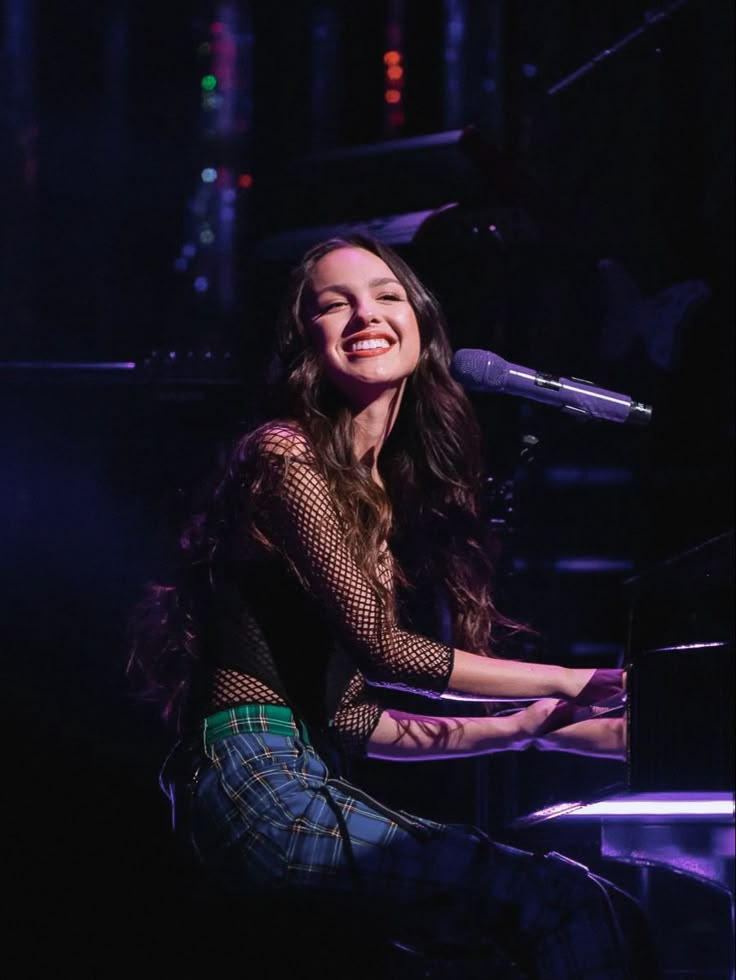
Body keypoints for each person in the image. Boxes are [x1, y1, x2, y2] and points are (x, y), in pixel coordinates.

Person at [127, 234, 658, 978]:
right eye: (332, 304)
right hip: (255, 780)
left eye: (384, 294)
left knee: (607, 911)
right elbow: (382, 649)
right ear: (303, 340)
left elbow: (353, 720)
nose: (364, 315)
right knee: (560, 901)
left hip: (297, 773)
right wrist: (568, 680)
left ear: (420, 320)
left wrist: (528, 730)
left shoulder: (364, 495)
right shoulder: (283, 456)